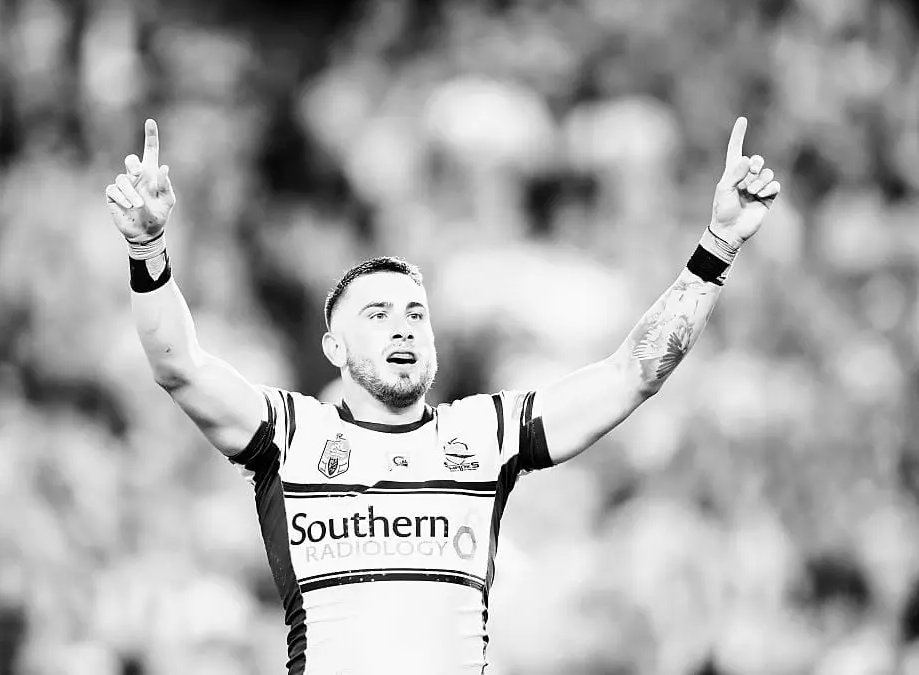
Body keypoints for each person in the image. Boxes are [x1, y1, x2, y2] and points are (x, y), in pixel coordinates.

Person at [104, 117, 780, 675]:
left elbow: (634, 373)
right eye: (377, 314)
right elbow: (178, 366)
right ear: (333, 348)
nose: (402, 326)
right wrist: (147, 247)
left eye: (415, 314)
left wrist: (718, 244)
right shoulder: (293, 434)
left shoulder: (483, 435)